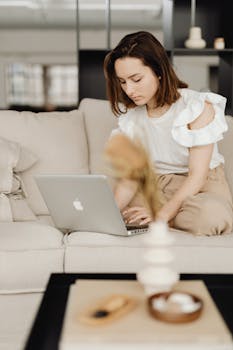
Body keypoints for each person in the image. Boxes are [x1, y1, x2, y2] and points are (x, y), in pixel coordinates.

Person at [103, 31, 233, 235]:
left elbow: (197, 177)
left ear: (159, 71)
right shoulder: (132, 118)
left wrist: (161, 215)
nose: (129, 90)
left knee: (210, 216)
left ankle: (164, 217)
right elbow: (131, 179)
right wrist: (107, 215)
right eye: (122, 81)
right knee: (126, 213)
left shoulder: (196, 107)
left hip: (199, 187)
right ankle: (163, 217)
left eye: (136, 79)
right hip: (155, 186)